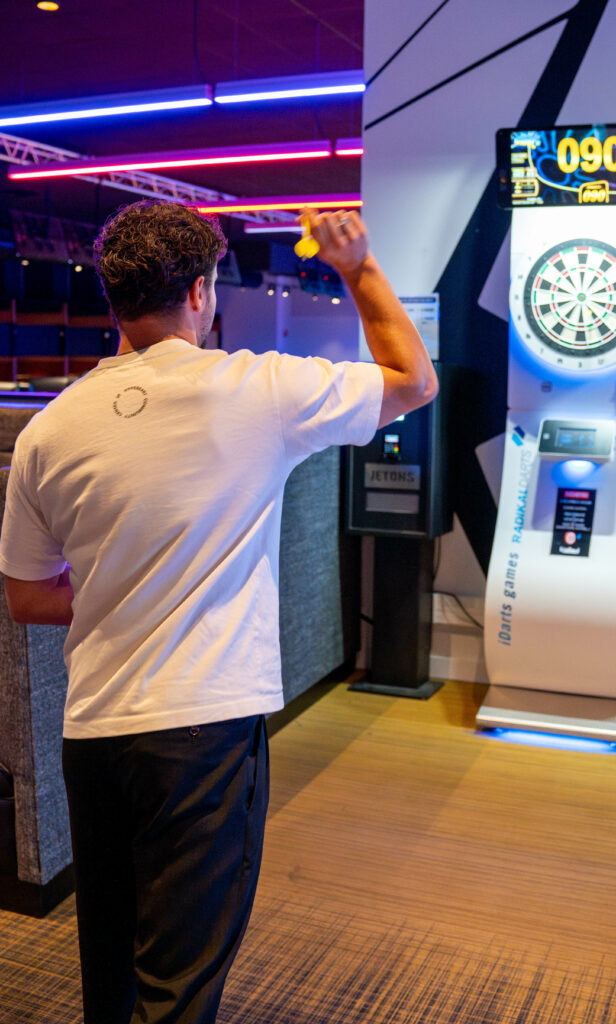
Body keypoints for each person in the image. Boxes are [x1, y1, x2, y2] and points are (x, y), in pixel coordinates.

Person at [0, 199, 437, 1024]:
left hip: (93, 731)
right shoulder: (258, 387)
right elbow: (414, 380)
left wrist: (116, 592)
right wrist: (356, 266)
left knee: (112, 966)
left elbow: (26, 596)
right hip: (202, 727)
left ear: (111, 296)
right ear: (201, 293)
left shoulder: (48, 431)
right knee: (181, 980)